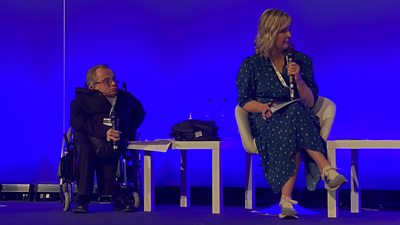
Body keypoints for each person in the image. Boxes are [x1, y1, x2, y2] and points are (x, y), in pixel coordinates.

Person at [236, 9, 346, 219]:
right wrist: (262, 108)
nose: (289, 35)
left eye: (289, 30)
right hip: (267, 119)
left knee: (294, 113)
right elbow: (244, 101)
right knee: (293, 122)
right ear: (270, 33)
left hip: (298, 117)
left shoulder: (301, 60)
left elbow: (311, 102)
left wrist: (299, 79)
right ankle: (326, 169)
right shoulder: (251, 65)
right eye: (283, 31)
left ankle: (286, 201)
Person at [70, 64, 145, 213]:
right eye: (106, 81)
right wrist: (104, 132)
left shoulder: (125, 98)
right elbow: (78, 122)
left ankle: (119, 197)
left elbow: (140, 113)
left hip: (114, 140)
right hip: (88, 139)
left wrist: (126, 132)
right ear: (93, 86)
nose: (113, 83)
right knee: (85, 152)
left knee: (116, 157)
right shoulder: (80, 100)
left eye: (114, 79)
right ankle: (83, 198)